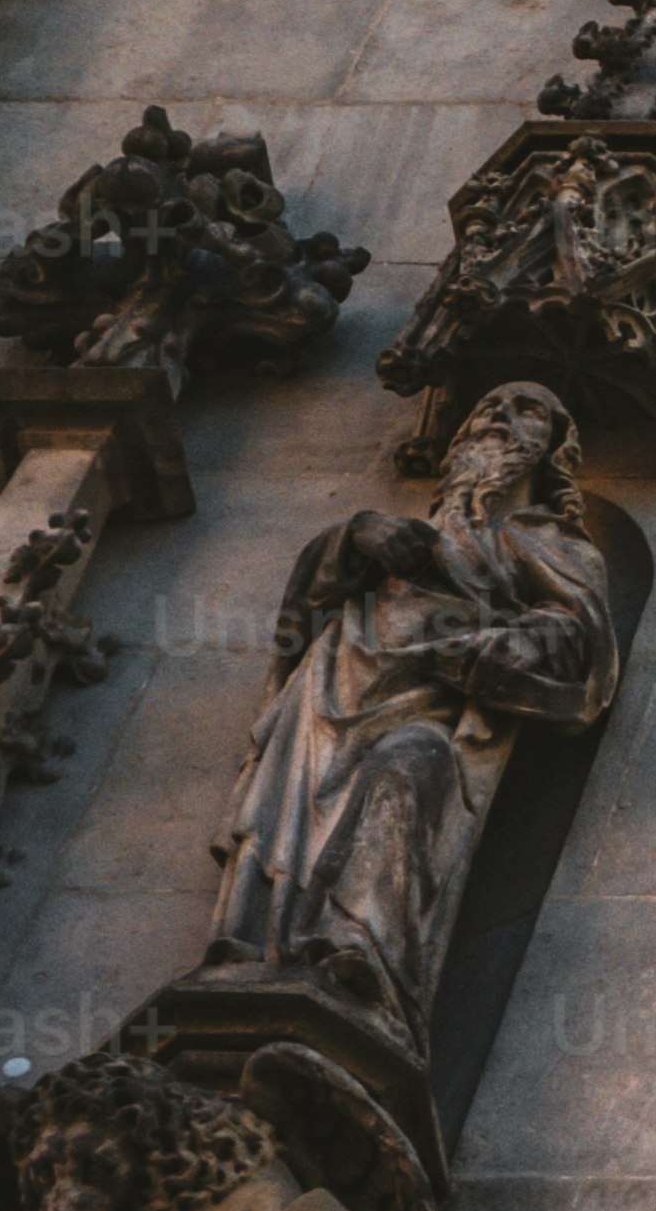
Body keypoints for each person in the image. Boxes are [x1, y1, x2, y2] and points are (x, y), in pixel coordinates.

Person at [203, 378, 621, 1056]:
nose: (500, 420)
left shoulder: (548, 542)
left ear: (553, 451)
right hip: (334, 692)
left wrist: (490, 646)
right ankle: (260, 949)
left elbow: (579, 638)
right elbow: (300, 613)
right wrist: (355, 536)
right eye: (488, 408)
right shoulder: (398, 529)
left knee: (409, 772)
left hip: (435, 702)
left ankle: (363, 968)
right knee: (293, 821)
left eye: (527, 413)